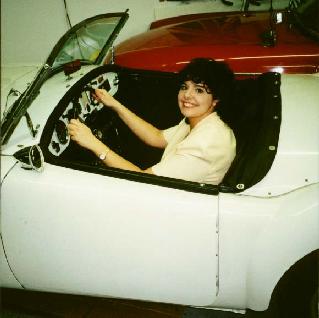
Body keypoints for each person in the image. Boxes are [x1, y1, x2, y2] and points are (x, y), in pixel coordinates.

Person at [67, 58, 236, 185]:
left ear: (216, 100)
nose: (187, 95)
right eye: (185, 87)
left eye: (199, 90)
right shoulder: (201, 121)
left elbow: (144, 181)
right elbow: (156, 137)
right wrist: (115, 105)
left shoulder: (205, 144)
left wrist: (93, 143)